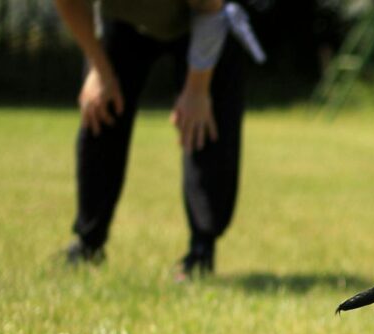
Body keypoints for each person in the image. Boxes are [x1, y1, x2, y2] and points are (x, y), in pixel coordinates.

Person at [54, 0, 261, 279]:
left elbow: (211, 9)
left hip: (203, 18)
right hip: (122, 21)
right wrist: (98, 68)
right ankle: (89, 243)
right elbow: (69, 4)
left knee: (204, 126)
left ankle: (201, 250)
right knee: (99, 109)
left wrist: (197, 90)